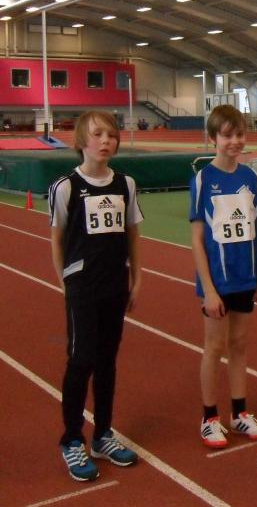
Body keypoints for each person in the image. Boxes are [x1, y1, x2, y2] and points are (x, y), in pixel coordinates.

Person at [49, 111, 142, 482]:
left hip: (115, 284)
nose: (106, 141)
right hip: (82, 287)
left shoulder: (125, 184)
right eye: (97, 134)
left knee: (107, 362)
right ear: (81, 141)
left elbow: (132, 234)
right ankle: (72, 439)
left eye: (111, 135)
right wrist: (65, 282)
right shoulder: (66, 187)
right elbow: (57, 239)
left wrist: (137, 278)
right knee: (81, 359)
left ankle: (103, 434)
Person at [190, 104, 257, 449]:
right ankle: (209, 418)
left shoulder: (250, 177)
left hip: (245, 276)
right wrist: (208, 289)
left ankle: (239, 413)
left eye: (239, 134)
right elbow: (197, 238)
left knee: (239, 344)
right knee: (214, 346)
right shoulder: (203, 179)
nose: (235, 141)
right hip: (217, 281)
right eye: (227, 135)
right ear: (213, 139)